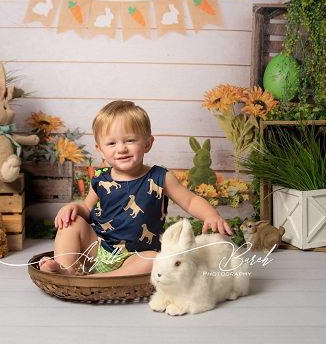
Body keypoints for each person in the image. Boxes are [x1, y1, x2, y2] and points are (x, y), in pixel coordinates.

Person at [39, 100, 233, 277]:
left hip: (136, 257)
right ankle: (66, 270)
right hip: (99, 249)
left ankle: (100, 279)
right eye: (112, 143)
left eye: (130, 140)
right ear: (100, 150)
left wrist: (210, 215)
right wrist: (73, 208)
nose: (121, 148)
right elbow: (87, 211)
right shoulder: (100, 178)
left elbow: (190, 200)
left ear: (147, 143)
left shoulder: (160, 177)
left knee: (153, 259)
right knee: (70, 224)